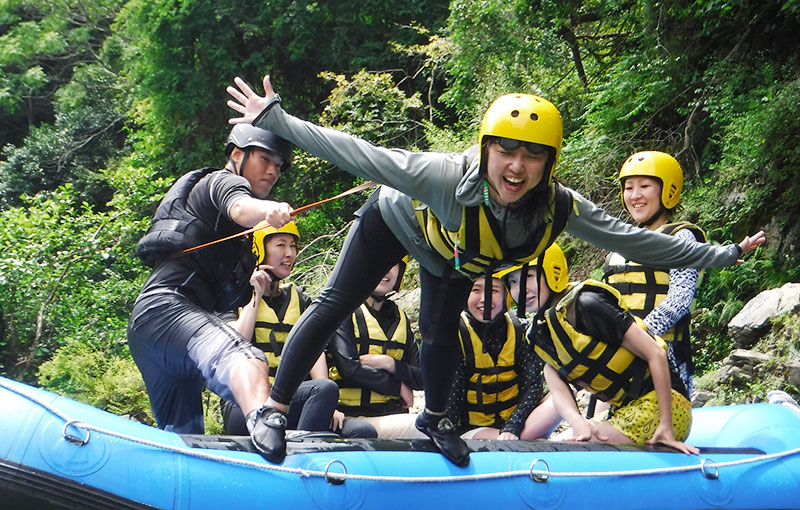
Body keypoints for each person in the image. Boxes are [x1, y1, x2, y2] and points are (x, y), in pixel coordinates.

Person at [225, 74, 765, 465]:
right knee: (333, 305)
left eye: (532, 156)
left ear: (549, 163)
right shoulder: (440, 175)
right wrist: (277, 121)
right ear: (486, 150)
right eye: (505, 151)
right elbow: (361, 155)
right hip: (394, 220)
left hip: (451, 254)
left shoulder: (559, 207)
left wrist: (726, 254)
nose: (516, 166)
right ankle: (273, 409)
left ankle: (436, 422)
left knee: (439, 335)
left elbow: (641, 242)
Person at [128, 123, 295, 458]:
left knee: (185, 438)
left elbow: (231, 329)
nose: (273, 170)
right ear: (237, 154)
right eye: (266, 159)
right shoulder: (221, 181)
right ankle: (263, 418)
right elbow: (240, 207)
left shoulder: (239, 251)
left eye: (279, 166)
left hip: (155, 331)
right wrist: (269, 210)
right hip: (166, 308)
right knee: (247, 357)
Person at [526, 243, 699, 454]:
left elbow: (656, 353)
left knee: (565, 450)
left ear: (553, 271)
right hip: (622, 410)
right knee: (561, 441)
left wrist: (666, 427)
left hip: (665, 410)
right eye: (513, 282)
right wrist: (577, 422)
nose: (521, 289)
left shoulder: (587, 304)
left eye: (528, 277)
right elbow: (554, 378)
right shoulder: (544, 333)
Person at [221, 221, 376, 438]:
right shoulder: (234, 298)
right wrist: (255, 294)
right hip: (245, 406)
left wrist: (328, 404)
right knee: (324, 389)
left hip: (291, 401)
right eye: (281, 245)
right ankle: (299, 450)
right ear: (259, 249)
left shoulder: (301, 301)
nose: (289, 253)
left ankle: (300, 445)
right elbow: (236, 343)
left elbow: (313, 351)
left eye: (293, 246)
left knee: (361, 430)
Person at [603, 151, 705, 396]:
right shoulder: (624, 242)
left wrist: (638, 338)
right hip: (623, 356)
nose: (634, 195)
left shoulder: (681, 237)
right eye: (628, 188)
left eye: (644, 186)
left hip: (665, 353)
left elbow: (680, 299)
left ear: (667, 190)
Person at [447, 275, 561, 440]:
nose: (484, 300)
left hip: (517, 423)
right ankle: (531, 442)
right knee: (532, 440)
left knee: (565, 393)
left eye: (493, 291)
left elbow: (533, 385)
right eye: (476, 290)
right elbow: (452, 397)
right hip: (472, 429)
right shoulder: (455, 335)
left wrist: (513, 425)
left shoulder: (520, 329)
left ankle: (527, 439)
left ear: (507, 296)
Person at [327, 257, 427, 439]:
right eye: (379, 262)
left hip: (392, 414)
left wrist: (390, 364)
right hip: (350, 417)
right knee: (424, 427)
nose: (386, 270)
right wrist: (397, 387)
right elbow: (349, 368)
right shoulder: (344, 312)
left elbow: (421, 378)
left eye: (392, 264)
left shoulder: (401, 319)